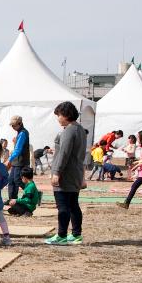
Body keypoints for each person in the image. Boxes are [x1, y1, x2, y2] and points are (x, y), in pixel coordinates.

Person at [45, 100, 88, 246]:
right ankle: (76, 234)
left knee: (63, 206)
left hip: (66, 174)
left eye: (59, 115)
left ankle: (61, 235)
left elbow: (64, 153)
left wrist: (56, 172)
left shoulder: (69, 130)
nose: (58, 118)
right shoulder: (80, 129)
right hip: (75, 172)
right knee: (73, 205)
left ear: (66, 115)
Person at [3, 115, 30, 200]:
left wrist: (9, 160)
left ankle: (32, 193)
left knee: (18, 180)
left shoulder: (23, 133)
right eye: (12, 125)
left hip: (21, 160)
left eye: (14, 125)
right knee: (11, 180)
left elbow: (18, 149)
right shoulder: (19, 132)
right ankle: (12, 200)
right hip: (16, 160)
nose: (12, 127)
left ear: (20, 123)